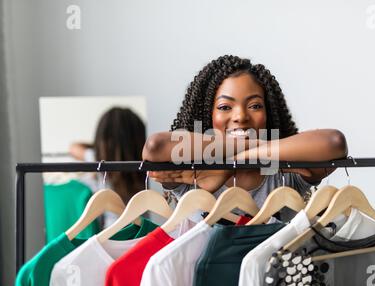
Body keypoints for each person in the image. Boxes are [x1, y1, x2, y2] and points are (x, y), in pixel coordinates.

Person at [142, 55, 348, 220]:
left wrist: (234, 162)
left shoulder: (284, 175)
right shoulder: (191, 174)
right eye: (225, 107)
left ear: (268, 113)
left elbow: (334, 142)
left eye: (255, 106)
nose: (240, 116)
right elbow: (156, 146)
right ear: (207, 115)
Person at [70, 106, 147, 226]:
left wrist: (96, 146)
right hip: (142, 230)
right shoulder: (146, 168)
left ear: (102, 139)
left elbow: (74, 148)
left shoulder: (97, 158)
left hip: (108, 231)